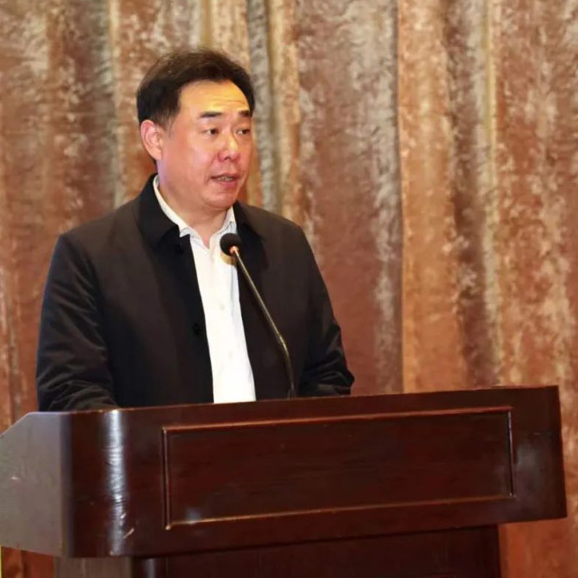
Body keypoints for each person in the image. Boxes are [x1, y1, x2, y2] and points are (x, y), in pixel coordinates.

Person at [35, 48, 354, 411]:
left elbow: (327, 376)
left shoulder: (283, 244)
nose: (232, 149)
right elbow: (73, 396)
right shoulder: (90, 257)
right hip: (153, 452)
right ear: (155, 139)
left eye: (243, 131)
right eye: (211, 131)